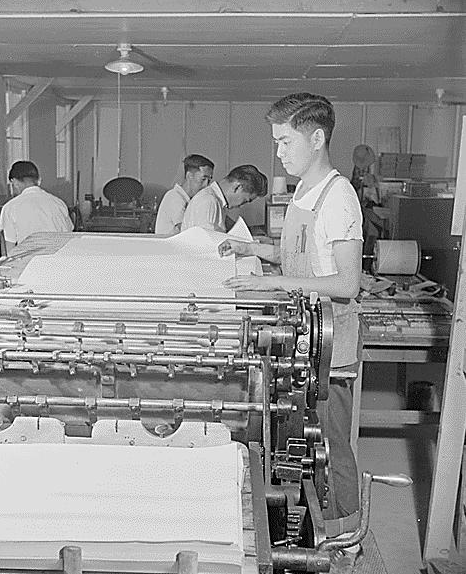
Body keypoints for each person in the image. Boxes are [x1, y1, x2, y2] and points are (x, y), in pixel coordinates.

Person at [220, 93, 363, 573]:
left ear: (317, 138)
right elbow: (301, 259)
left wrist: (274, 281)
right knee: (300, 434)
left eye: (285, 141)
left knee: (331, 442)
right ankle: (313, 518)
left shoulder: (339, 196)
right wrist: (255, 250)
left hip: (329, 344)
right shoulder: (304, 192)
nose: (278, 152)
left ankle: (347, 537)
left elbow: (346, 282)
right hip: (300, 333)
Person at [0, 161, 73, 250]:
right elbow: (69, 235)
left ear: (15, 182)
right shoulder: (58, 203)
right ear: (39, 180)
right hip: (58, 260)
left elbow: (9, 249)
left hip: (29, 261)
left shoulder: (10, 208)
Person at [181, 164, 268, 232]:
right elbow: (207, 245)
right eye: (245, 201)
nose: (240, 206)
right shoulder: (209, 201)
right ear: (237, 187)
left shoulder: (217, 202)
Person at [155, 154, 214, 235]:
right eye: (203, 179)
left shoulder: (189, 200)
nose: (206, 185)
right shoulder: (175, 198)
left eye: (209, 180)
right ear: (189, 175)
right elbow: (185, 230)